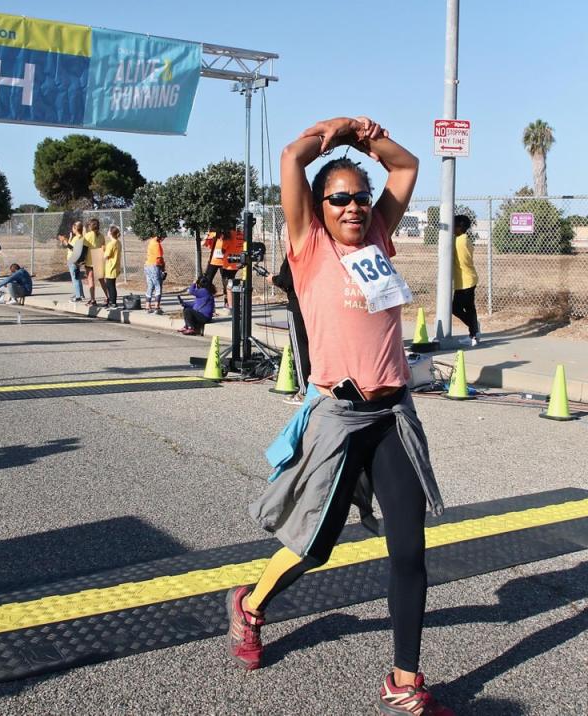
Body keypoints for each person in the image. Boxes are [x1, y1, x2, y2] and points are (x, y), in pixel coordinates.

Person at [225, 116, 452, 716]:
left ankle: (404, 681)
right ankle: (249, 605)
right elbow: (294, 159)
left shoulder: (378, 233)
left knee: (409, 550)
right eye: (340, 198)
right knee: (315, 544)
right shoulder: (308, 247)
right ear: (319, 208)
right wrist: (338, 130)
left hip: (393, 414)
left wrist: (369, 138)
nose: (353, 206)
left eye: (360, 196)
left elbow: (405, 167)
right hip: (338, 416)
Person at [269, 255, 310, 402]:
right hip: (315, 304)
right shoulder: (316, 250)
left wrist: (273, 279)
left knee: (300, 349)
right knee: (314, 348)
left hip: (297, 305)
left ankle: (304, 392)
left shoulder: (295, 254)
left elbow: (286, 281)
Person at [451, 214, 480, 346]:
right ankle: (473, 332)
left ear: (459, 227)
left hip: (464, 281)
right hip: (468, 278)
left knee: (456, 308)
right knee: (469, 308)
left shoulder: (458, 241)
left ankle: (474, 330)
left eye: (454, 225)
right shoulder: (466, 239)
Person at [58, 220, 86, 302]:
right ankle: (80, 294)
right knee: (77, 277)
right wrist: (68, 239)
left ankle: (78, 296)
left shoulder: (77, 238)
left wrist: (66, 242)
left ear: (75, 228)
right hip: (75, 260)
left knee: (75, 279)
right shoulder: (80, 237)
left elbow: (74, 249)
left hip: (73, 260)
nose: (72, 230)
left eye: (73, 228)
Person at [83, 217, 105, 306]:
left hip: (90, 259)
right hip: (98, 257)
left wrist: (81, 260)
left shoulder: (88, 235)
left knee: (90, 280)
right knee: (102, 280)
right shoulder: (101, 236)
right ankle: (109, 297)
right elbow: (103, 247)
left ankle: (93, 300)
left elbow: (84, 249)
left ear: (90, 226)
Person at [143, 234, 165, 314]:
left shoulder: (151, 242)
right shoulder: (157, 244)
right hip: (154, 266)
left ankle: (147, 307)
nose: (163, 239)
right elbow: (158, 259)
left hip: (147, 266)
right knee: (158, 286)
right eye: (163, 237)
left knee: (150, 286)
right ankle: (157, 307)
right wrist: (163, 268)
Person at [102, 225, 122, 309]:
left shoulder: (111, 244)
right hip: (116, 266)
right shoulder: (118, 242)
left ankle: (113, 303)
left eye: (108, 231)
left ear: (110, 233)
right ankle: (111, 301)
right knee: (111, 285)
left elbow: (106, 256)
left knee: (110, 286)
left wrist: (104, 251)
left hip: (110, 267)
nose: (107, 232)